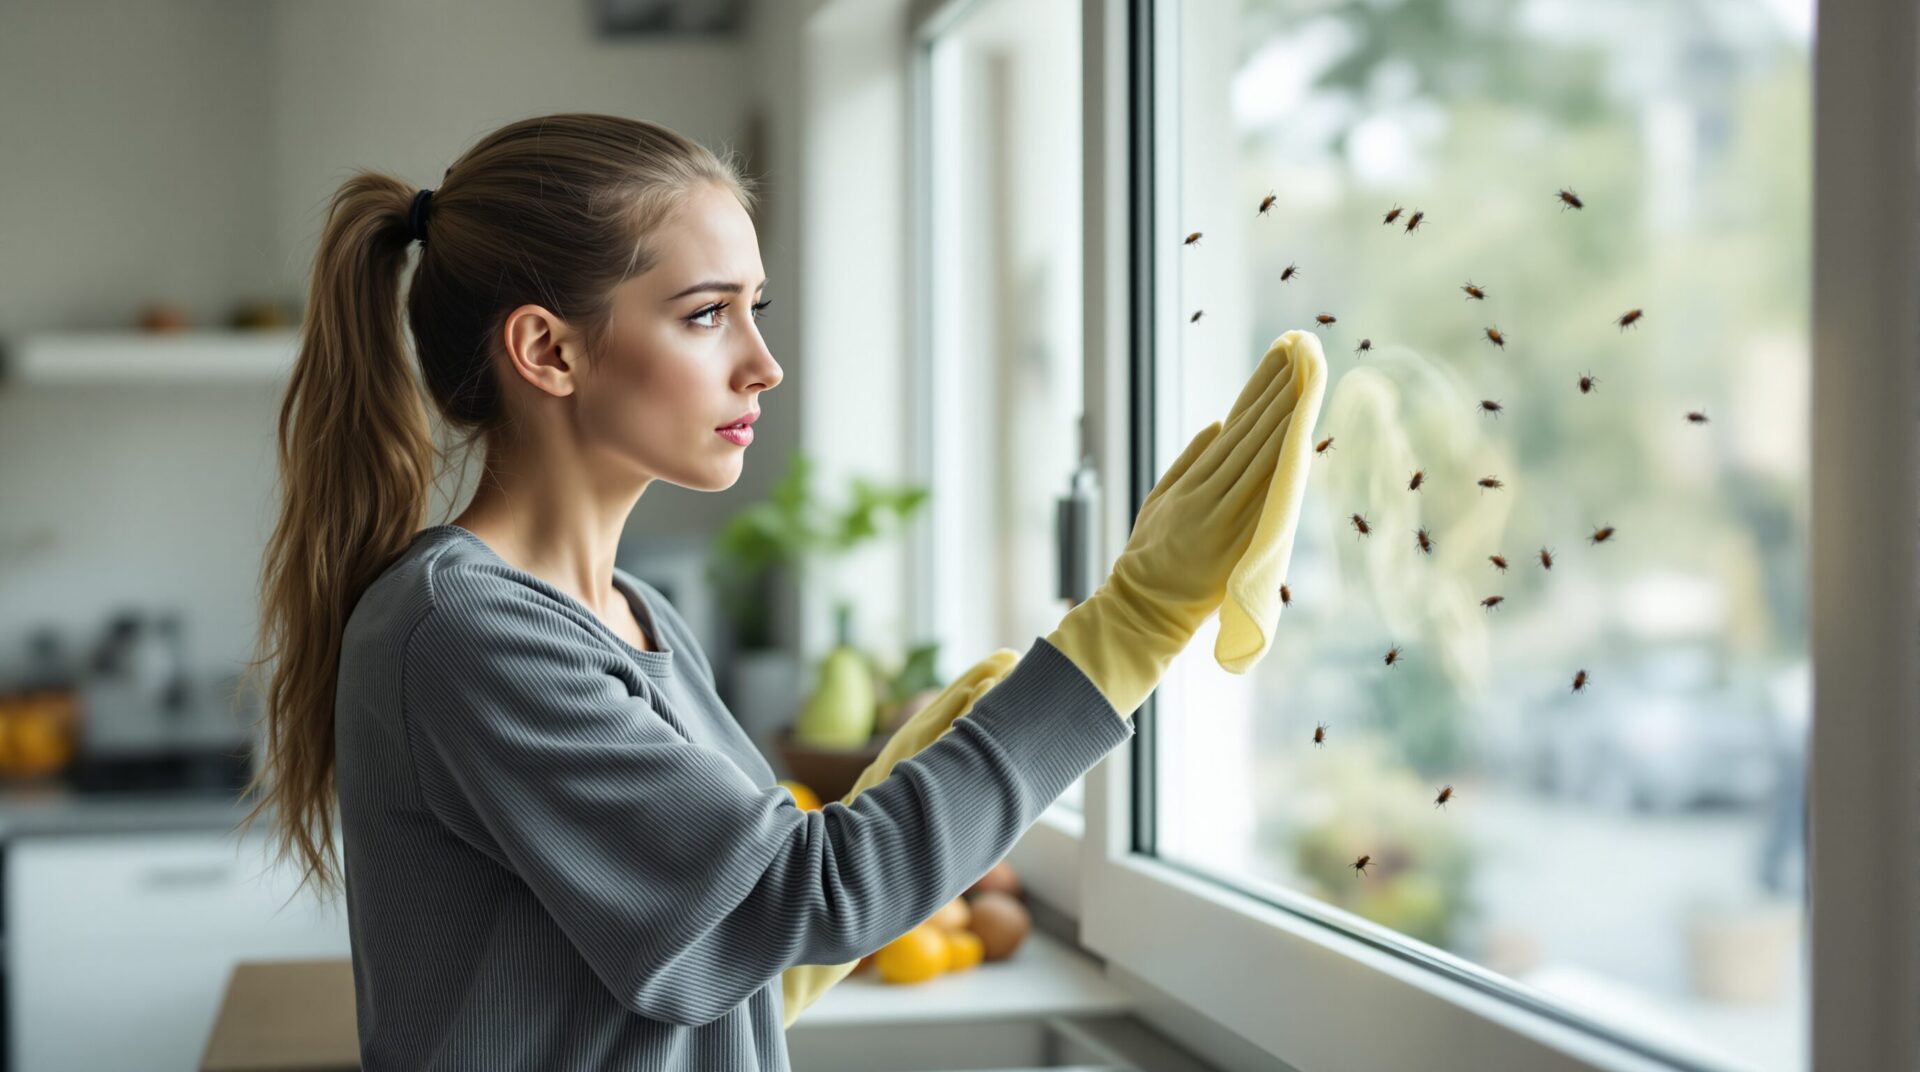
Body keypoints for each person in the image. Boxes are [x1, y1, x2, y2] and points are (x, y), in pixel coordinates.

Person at [232, 112, 1305, 1071]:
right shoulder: (467, 631)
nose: (763, 362)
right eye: (707, 314)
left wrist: (841, 865)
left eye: (757, 307)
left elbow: (720, 936)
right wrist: (1134, 627)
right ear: (547, 349)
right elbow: (803, 891)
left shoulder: (636, 617)